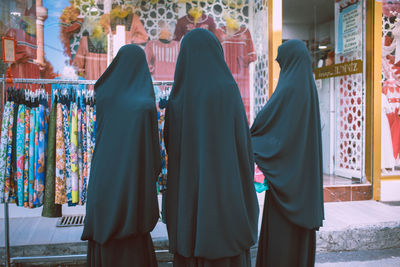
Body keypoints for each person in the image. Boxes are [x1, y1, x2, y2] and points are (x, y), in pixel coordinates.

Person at [164, 28, 259, 266]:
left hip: (190, 202)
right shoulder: (228, 90)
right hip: (227, 197)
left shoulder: (178, 98)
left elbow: (171, 150)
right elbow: (243, 146)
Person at [81, 44, 161, 267]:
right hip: (130, 183)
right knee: (131, 242)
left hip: (102, 181)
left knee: (106, 240)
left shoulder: (105, 94)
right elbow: (153, 154)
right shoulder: (145, 104)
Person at [251, 39, 324, 267]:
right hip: (304, 185)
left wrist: (247, 140)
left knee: (281, 243)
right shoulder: (308, 87)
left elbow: (263, 126)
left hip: (285, 187)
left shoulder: (289, 89)